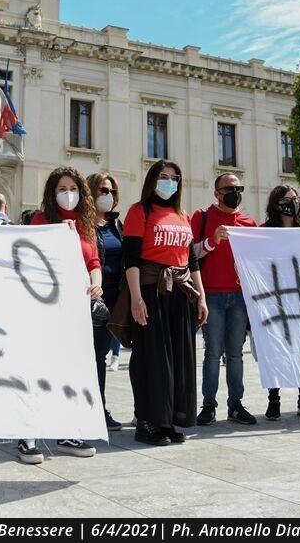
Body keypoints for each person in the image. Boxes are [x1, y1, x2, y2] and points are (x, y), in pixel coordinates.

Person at [19, 167, 104, 463]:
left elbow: (93, 261)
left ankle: (67, 431)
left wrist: (96, 284)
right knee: (38, 368)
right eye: (61, 189)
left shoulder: (85, 224)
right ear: (52, 194)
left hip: (75, 310)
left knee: (70, 371)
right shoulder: (42, 221)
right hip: (44, 308)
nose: (68, 193)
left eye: (72, 187)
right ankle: (27, 437)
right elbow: (29, 259)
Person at [125, 160, 208, 446]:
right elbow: (131, 258)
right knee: (152, 359)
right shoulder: (139, 211)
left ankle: (171, 420)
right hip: (151, 291)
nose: (169, 182)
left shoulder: (181, 214)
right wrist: (136, 298)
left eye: (174, 178)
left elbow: (192, 259)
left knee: (179, 360)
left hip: (181, 294)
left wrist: (201, 297)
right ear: (152, 180)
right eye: (163, 177)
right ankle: (147, 422)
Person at [191, 173, 258, 427]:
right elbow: (190, 254)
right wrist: (211, 241)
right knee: (212, 353)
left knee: (236, 354)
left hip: (240, 297)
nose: (235, 192)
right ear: (217, 193)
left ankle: (235, 405)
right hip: (212, 296)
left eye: (239, 187)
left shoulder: (249, 222)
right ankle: (208, 406)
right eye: (229, 188)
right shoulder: (202, 217)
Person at [261, 185, 300, 421]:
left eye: (295, 199)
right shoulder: (263, 231)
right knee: (274, 351)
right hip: (273, 299)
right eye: (286, 199)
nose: (291, 203)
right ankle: (273, 400)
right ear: (276, 204)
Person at [87, 172, 124, 431]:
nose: (107, 195)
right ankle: (97, 409)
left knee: (105, 353)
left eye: (110, 191)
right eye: (102, 190)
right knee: (96, 356)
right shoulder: (82, 225)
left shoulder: (116, 226)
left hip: (116, 297)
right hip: (92, 298)